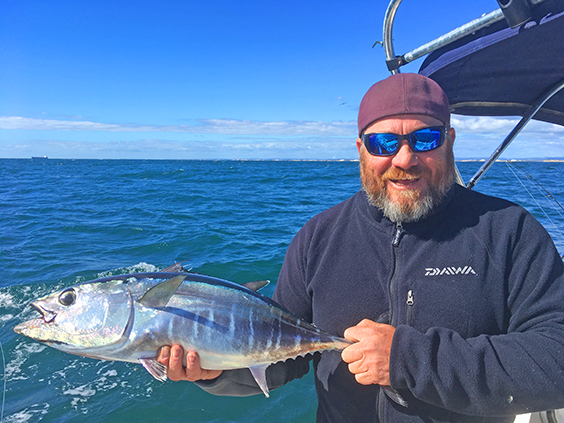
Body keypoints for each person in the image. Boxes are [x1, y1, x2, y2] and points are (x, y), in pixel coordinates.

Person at [157, 73, 564, 422]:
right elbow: (278, 356)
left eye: (425, 138)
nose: (404, 158)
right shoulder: (319, 237)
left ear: (450, 141)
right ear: (361, 150)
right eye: (384, 143)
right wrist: (211, 370)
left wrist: (407, 359)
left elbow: (556, 360)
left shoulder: (509, 231)